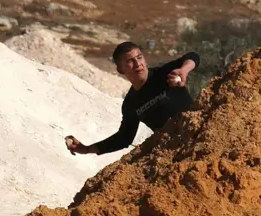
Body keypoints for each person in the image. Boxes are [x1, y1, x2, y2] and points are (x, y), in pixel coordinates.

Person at [65, 41, 200, 155]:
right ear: (120, 70)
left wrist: (184, 70)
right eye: (130, 61)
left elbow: (193, 56)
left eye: (139, 57)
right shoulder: (131, 104)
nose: (138, 64)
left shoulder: (164, 74)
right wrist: (86, 149)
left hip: (201, 132)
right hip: (177, 151)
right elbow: (123, 139)